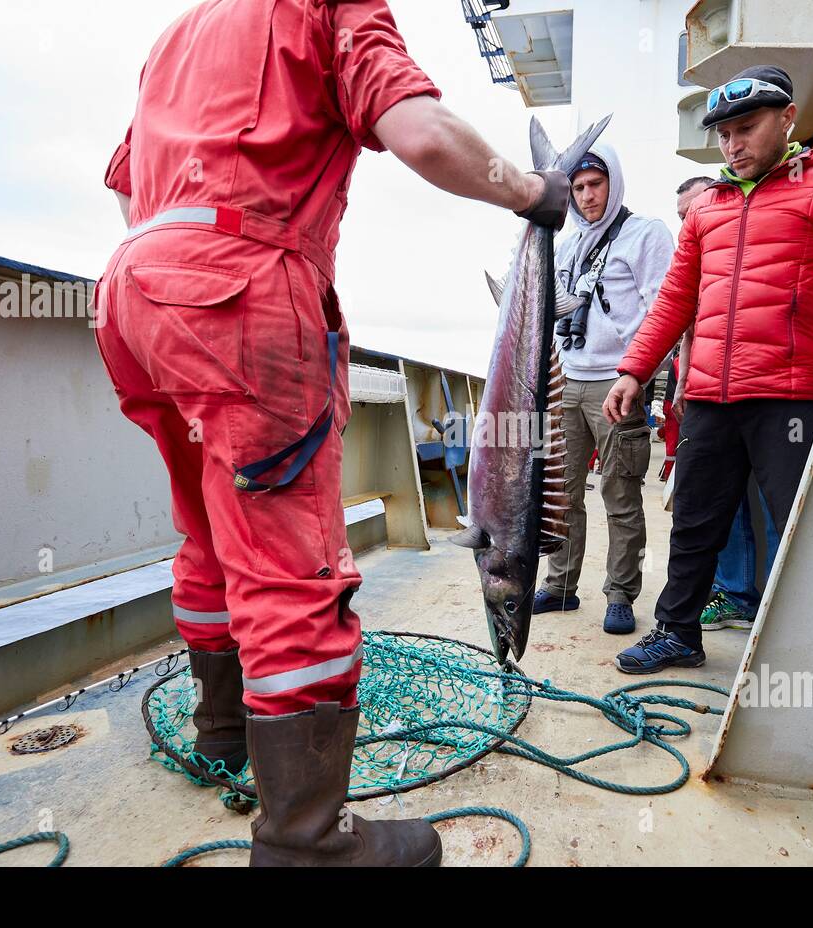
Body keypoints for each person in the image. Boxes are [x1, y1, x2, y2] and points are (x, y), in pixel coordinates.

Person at [93, 0, 569, 866]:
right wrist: (535, 193)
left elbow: (129, 187)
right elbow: (420, 134)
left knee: (207, 527)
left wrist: (181, 268)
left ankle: (223, 732)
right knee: (288, 569)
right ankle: (309, 841)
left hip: (134, 294)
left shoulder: (183, 31)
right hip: (241, 293)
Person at [603, 65, 813, 674]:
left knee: (806, 526)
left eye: (746, 128)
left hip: (789, 396)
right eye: (724, 134)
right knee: (695, 524)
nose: (733, 144)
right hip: (706, 396)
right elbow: (675, 299)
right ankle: (678, 634)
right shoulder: (706, 210)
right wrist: (634, 370)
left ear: (787, 119)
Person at [528, 146, 675, 635]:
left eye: (596, 184)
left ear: (614, 182)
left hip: (618, 381)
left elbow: (664, 310)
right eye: (578, 188)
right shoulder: (566, 243)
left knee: (620, 492)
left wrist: (643, 378)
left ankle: (620, 593)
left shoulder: (646, 233)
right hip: (566, 379)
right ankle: (560, 584)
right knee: (561, 493)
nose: (587, 196)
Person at [671, 175, 777, 631]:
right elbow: (686, 320)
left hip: (772, 394)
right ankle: (735, 593)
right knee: (720, 503)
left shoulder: (755, 240)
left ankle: (780, 601)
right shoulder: (697, 253)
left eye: (692, 211)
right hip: (709, 394)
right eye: (680, 217)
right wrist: (681, 383)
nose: (688, 223)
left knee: (778, 504)